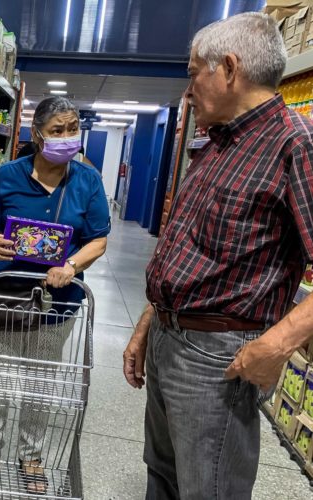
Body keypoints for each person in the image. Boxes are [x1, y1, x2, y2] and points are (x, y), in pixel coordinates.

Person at [122, 12, 313, 499]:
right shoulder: (219, 144)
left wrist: (277, 346)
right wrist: (149, 324)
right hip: (170, 337)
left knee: (208, 489)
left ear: (228, 68)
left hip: (219, 360)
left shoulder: (295, 143)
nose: (187, 91)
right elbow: (187, 251)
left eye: (192, 73)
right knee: (162, 475)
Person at [0, 96, 110, 494]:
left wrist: (71, 267)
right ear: (37, 135)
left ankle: (31, 457)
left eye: (72, 130)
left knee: (42, 382)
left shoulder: (87, 181)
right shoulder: (9, 174)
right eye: (57, 131)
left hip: (58, 302)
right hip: (6, 295)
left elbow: (98, 240)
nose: (67, 138)